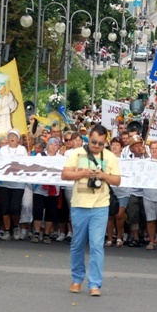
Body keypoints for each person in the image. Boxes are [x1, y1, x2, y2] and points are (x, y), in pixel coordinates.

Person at [62, 124, 121, 297]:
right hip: (79, 204)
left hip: (100, 206)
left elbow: (117, 180)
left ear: (105, 143)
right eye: (94, 142)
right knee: (77, 244)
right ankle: (77, 279)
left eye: (101, 143)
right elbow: (64, 175)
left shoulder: (109, 157)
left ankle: (94, 284)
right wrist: (83, 173)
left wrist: (103, 176)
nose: (96, 146)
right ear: (88, 137)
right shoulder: (76, 153)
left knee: (97, 245)